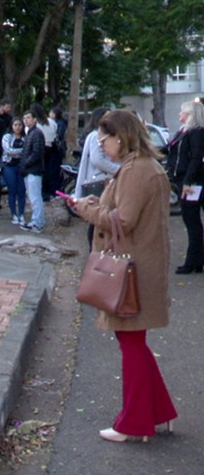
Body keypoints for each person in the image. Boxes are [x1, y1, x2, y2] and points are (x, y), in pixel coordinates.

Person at [67, 110, 177, 443]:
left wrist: (84, 208)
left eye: (105, 139)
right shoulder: (143, 167)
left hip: (132, 271)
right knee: (133, 343)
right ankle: (158, 412)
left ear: (122, 136)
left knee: (131, 345)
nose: (101, 145)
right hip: (140, 267)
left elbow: (122, 220)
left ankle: (135, 423)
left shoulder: (135, 170)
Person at [166, 100, 204, 274]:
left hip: (192, 182)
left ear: (190, 115)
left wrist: (188, 181)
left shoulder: (196, 132)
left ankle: (194, 260)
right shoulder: (184, 132)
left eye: (183, 113)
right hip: (184, 179)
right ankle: (196, 260)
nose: (179, 115)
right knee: (191, 221)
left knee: (192, 221)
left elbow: (196, 157)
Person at [74, 107, 119, 249]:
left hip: (98, 180)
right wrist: (119, 170)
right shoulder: (95, 136)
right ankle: (94, 254)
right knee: (97, 221)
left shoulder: (95, 135)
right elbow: (97, 159)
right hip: (98, 181)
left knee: (97, 221)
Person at [19, 105, 46, 232]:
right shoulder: (30, 133)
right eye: (24, 118)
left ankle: (38, 223)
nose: (26, 120)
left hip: (34, 170)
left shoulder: (37, 133)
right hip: (29, 170)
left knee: (35, 197)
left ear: (35, 119)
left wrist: (25, 164)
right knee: (32, 197)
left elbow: (37, 153)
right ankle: (36, 221)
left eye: (28, 118)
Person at [1, 117, 27, 226]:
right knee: (12, 190)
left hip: (21, 167)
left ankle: (21, 213)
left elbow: (28, 150)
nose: (18, 127)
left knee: (21, 191)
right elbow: (8, 150)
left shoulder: (25, 138)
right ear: (12, 126)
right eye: (15, 125)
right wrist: (21, 151)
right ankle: (13, 214)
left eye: (20, 125)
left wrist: (20, 152)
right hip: (9, 166)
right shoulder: (7, 137)